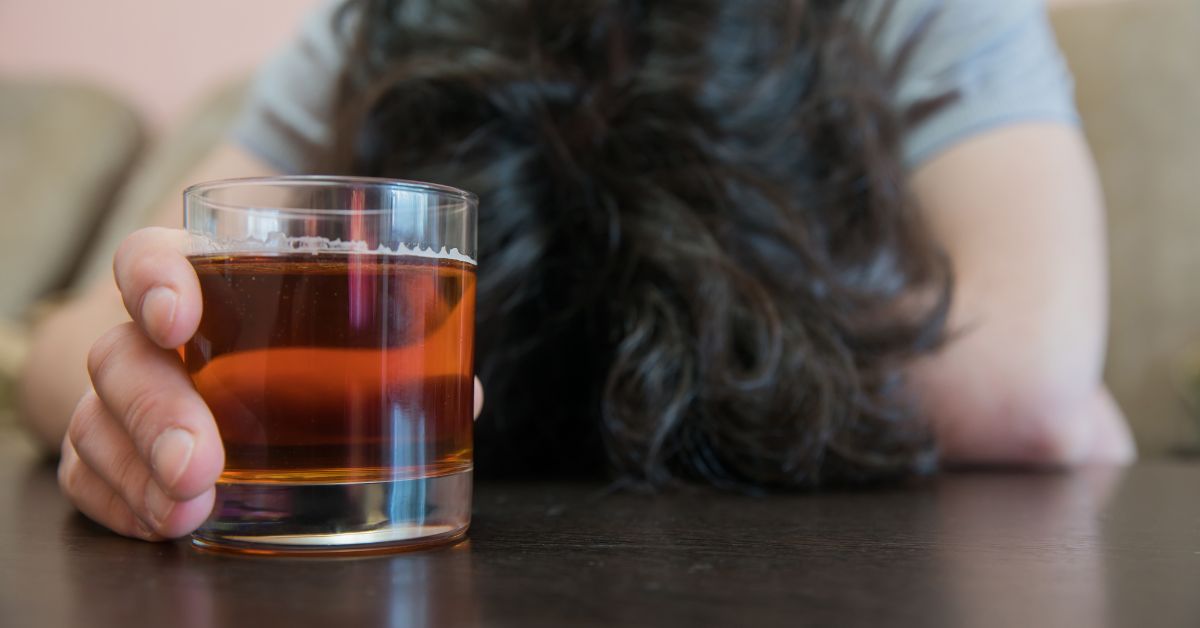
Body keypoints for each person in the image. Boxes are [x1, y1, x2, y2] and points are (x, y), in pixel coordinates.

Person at [20, 0, 1135, 541]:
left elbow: (1024, 373)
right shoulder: (386, 19)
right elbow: (72, 339)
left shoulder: (926, 10)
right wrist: (148, 404)